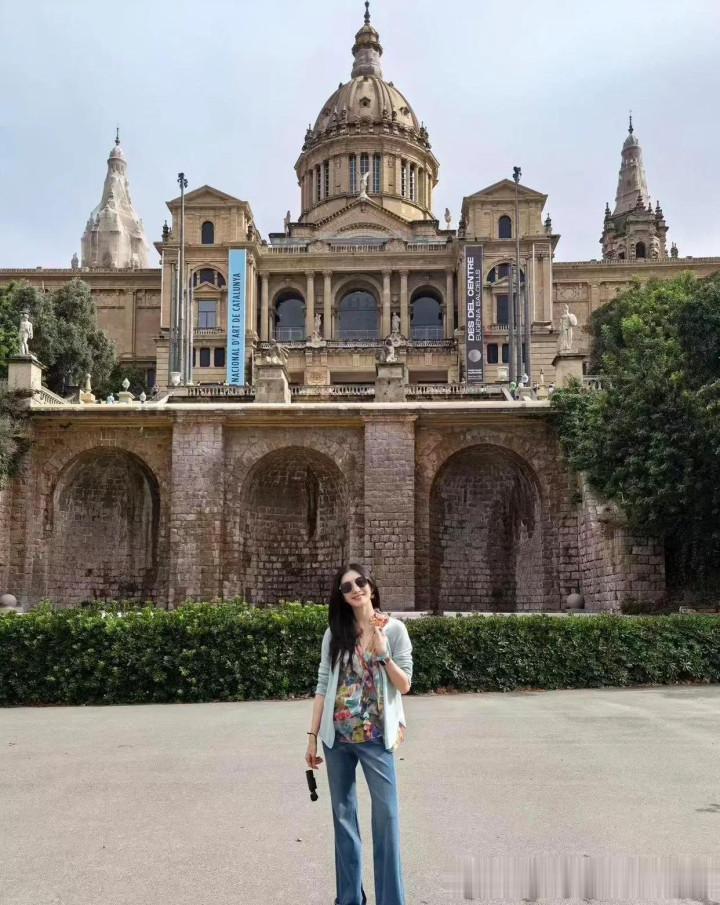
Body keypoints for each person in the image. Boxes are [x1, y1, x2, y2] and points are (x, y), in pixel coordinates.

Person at [306, 563, 413, 905]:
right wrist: (312, 736)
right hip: (336, 738)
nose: (355, 589)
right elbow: (323, 685)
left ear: (371, 586)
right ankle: (349, 899)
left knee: (387, 819)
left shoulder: (394, 630)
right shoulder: (335, 633)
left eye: (360, 582)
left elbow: (405, 685)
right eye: (346, 587)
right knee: (343, 820)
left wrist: (384, 656)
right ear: (341, 596)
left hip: (376, 737)